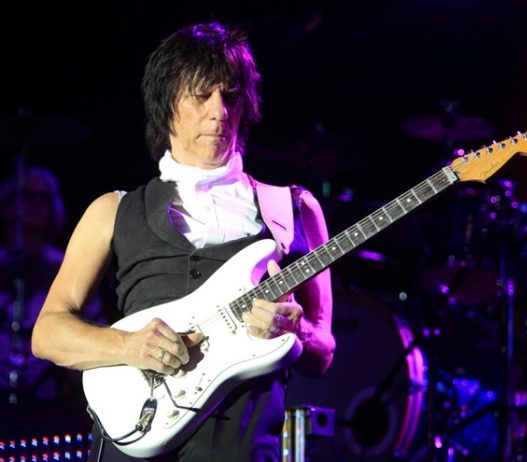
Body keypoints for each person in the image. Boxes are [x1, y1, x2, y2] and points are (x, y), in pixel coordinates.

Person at [31, 22, 335, 461]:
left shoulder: (293, 208)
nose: (219, 111)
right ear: (166, 103)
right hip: (134, 435)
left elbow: (323, 352)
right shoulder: (112, 210)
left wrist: (295, 329)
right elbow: (47, 334)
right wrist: (127, 346)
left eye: (230, 96)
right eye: (200, 95)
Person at [0, 166, 104, 434]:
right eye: (25, 196)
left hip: (53, 401)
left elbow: (93, 328)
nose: (32, 205)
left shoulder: (69, 268)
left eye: (42, 198)